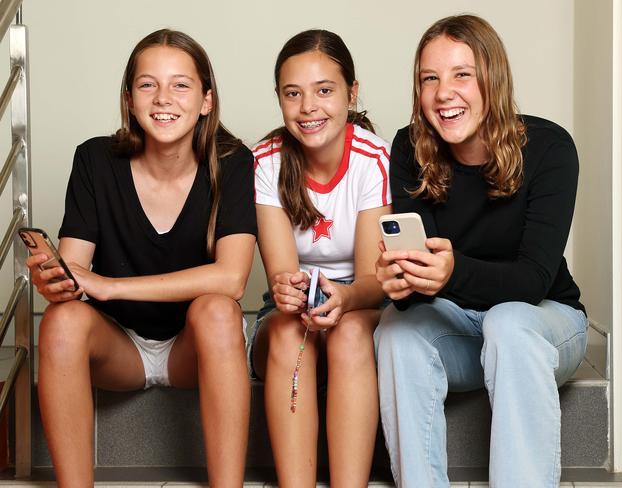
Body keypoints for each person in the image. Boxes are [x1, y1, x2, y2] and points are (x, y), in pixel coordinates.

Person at [27, 29, 256, 488]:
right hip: (120, 348)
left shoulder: (232, 161)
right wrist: (55, 279)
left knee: (217, 310)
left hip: (193, 350)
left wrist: (108, 286)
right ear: (129, 99)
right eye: (148, 84)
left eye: (181, 84)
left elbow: (231, 279)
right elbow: (76, 272)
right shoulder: (94, 159)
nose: (162, 98)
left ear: (206, 100)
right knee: (60, 321)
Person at [373, 15, 587, 488]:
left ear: (493, 79)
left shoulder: (550, 149)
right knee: (395, 330)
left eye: (461, 74)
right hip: (461, 327)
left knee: (506, 321)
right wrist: (401, 283)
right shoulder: (410, 148)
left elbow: (532, 280)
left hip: (545, 322)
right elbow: (421, 289)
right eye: (429, 78)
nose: (443, 92)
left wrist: (449, 274)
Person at [249, 29, 391, 487]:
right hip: (294, 308)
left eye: (324, 90)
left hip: (362, 301)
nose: (309, 107)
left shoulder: (375, 159)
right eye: (294, 93)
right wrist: (291, 292)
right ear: (279, 98)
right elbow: (282, 276)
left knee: (349, 334)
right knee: (291, 333)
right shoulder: (266, 161)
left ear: (352, 94)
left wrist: (344, 298)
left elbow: (374, 279)